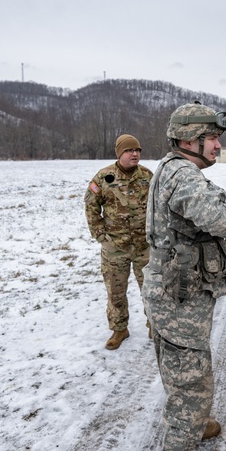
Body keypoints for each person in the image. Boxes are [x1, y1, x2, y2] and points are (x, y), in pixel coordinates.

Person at [142, 102, 226, 451]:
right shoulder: (183, 175)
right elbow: (223, 222)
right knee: (193, 382)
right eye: (212, 139)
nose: (218, 146)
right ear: (188, 140)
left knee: (179, 370)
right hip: (177, 299)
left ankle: (192, 425)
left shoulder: (175, 169)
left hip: (175, 291)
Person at [84, 133, 153, 350]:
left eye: (138, 150)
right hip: (115, 247)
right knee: (115, 291)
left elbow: (159, 205)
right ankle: (119, 328)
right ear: (119, 153)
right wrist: (101, 235)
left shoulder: (147, 176)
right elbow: (91, 205)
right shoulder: (104, 177)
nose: (135, 154)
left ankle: (155, 325)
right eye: (129, 151)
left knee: (151, 289)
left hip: (144, 246)